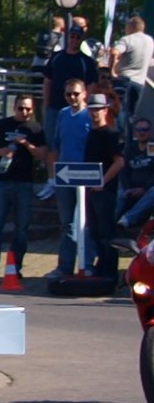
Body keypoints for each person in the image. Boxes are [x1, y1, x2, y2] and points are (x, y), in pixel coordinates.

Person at [0, 95, 45, 280]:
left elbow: (43, 153)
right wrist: (0, 151)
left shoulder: (35, 128)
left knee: (22, 228)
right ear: (14, 108)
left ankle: (14, 268)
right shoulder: (2, 125)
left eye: (28, 109)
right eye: (20, 108)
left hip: (24, 183)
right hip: (2, 182)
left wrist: (27, 144)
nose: (24, 112)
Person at [46, 79, 93, 277]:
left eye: (76, 93)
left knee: (86, 222)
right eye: (68, 94)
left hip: (86, 176)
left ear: (84, 94)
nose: (72, 98)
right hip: (65, 175)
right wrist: (52, 177)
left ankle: (88, 264)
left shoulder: (91, 115)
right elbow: (55, 146)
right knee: (66, 223)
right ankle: (65, 266)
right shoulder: (63, 115)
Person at [84, 94, 124, 279]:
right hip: (90, 189)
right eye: (92, 109)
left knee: (106, 233)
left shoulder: (110, 134)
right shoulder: (91, 133)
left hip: (105, 191)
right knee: (95, 231)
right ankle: (101, 268)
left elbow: (119, 162)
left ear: (105, 110)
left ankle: (110, 273)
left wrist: (103, 182)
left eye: (98, 109)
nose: (95, 113)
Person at [43, 23, 98, 113]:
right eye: (72, 36)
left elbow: (91, 85)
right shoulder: (56, 57)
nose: (74, 40)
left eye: (78, 37)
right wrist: (46, 103)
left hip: (77, 108)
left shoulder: (87, 61)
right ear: (68, 37)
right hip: (54, 107)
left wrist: (85, 105)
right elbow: (47, 81)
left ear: (82, 39)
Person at [114, 14, 154, 119]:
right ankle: (130, 134)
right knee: (132, 115)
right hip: (139, 83)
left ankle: (120, 133)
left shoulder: (127, 39)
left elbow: (114, 52)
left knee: (120, 111)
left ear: (131, 27)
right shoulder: (150, 41)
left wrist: (112, 70)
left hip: (124, 79)